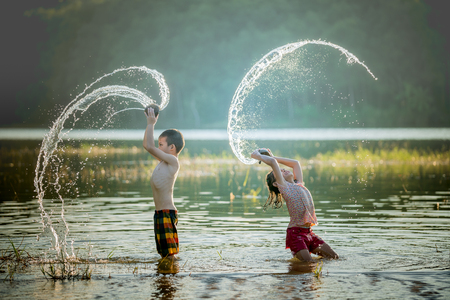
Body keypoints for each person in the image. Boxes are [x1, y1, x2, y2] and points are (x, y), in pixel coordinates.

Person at [251, 148, 338, 262]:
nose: (283, 170)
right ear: (276, 183)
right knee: (308, 265)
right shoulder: (285, 188)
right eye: (280, 172)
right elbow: (273, 163)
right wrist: (257, 156)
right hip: (296, 235)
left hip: (309, 233)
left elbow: (295, 163)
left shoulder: (299, 183)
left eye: (282, 169)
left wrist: (273, 156)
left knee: (334, 258)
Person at [143, 106, 185, 260]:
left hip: (167, 213)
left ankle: (173, 280)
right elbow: (147, 146)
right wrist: (148, 123)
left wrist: (151, 124)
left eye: (161, 144)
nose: (158, 147)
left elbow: (150, 147)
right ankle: (165, 280)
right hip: (159, 214)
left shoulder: (173, 161)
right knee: (163, 254)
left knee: (170, 255)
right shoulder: (163, 161)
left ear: (172, 147)